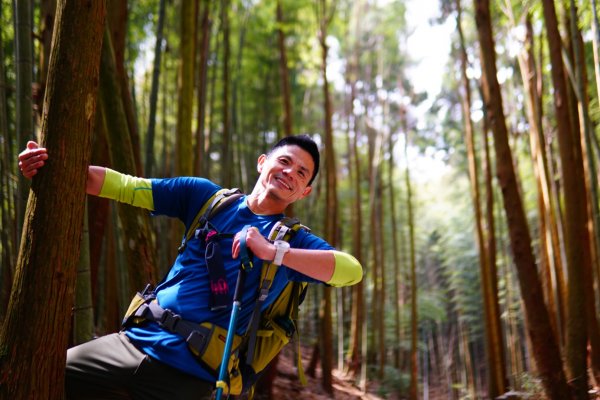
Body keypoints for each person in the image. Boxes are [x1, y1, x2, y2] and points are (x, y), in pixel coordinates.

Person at [18, 134, 363, 400]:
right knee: (39, 376)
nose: (290, 173)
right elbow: (123, 186)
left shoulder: (294, 241)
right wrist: (52, 166)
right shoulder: (205, 198)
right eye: (284, 161)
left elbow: (351, 271)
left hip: (193, 375)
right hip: (133, 343)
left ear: (305, 192)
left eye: (301, 173)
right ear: (262, 163)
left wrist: (274, 251)